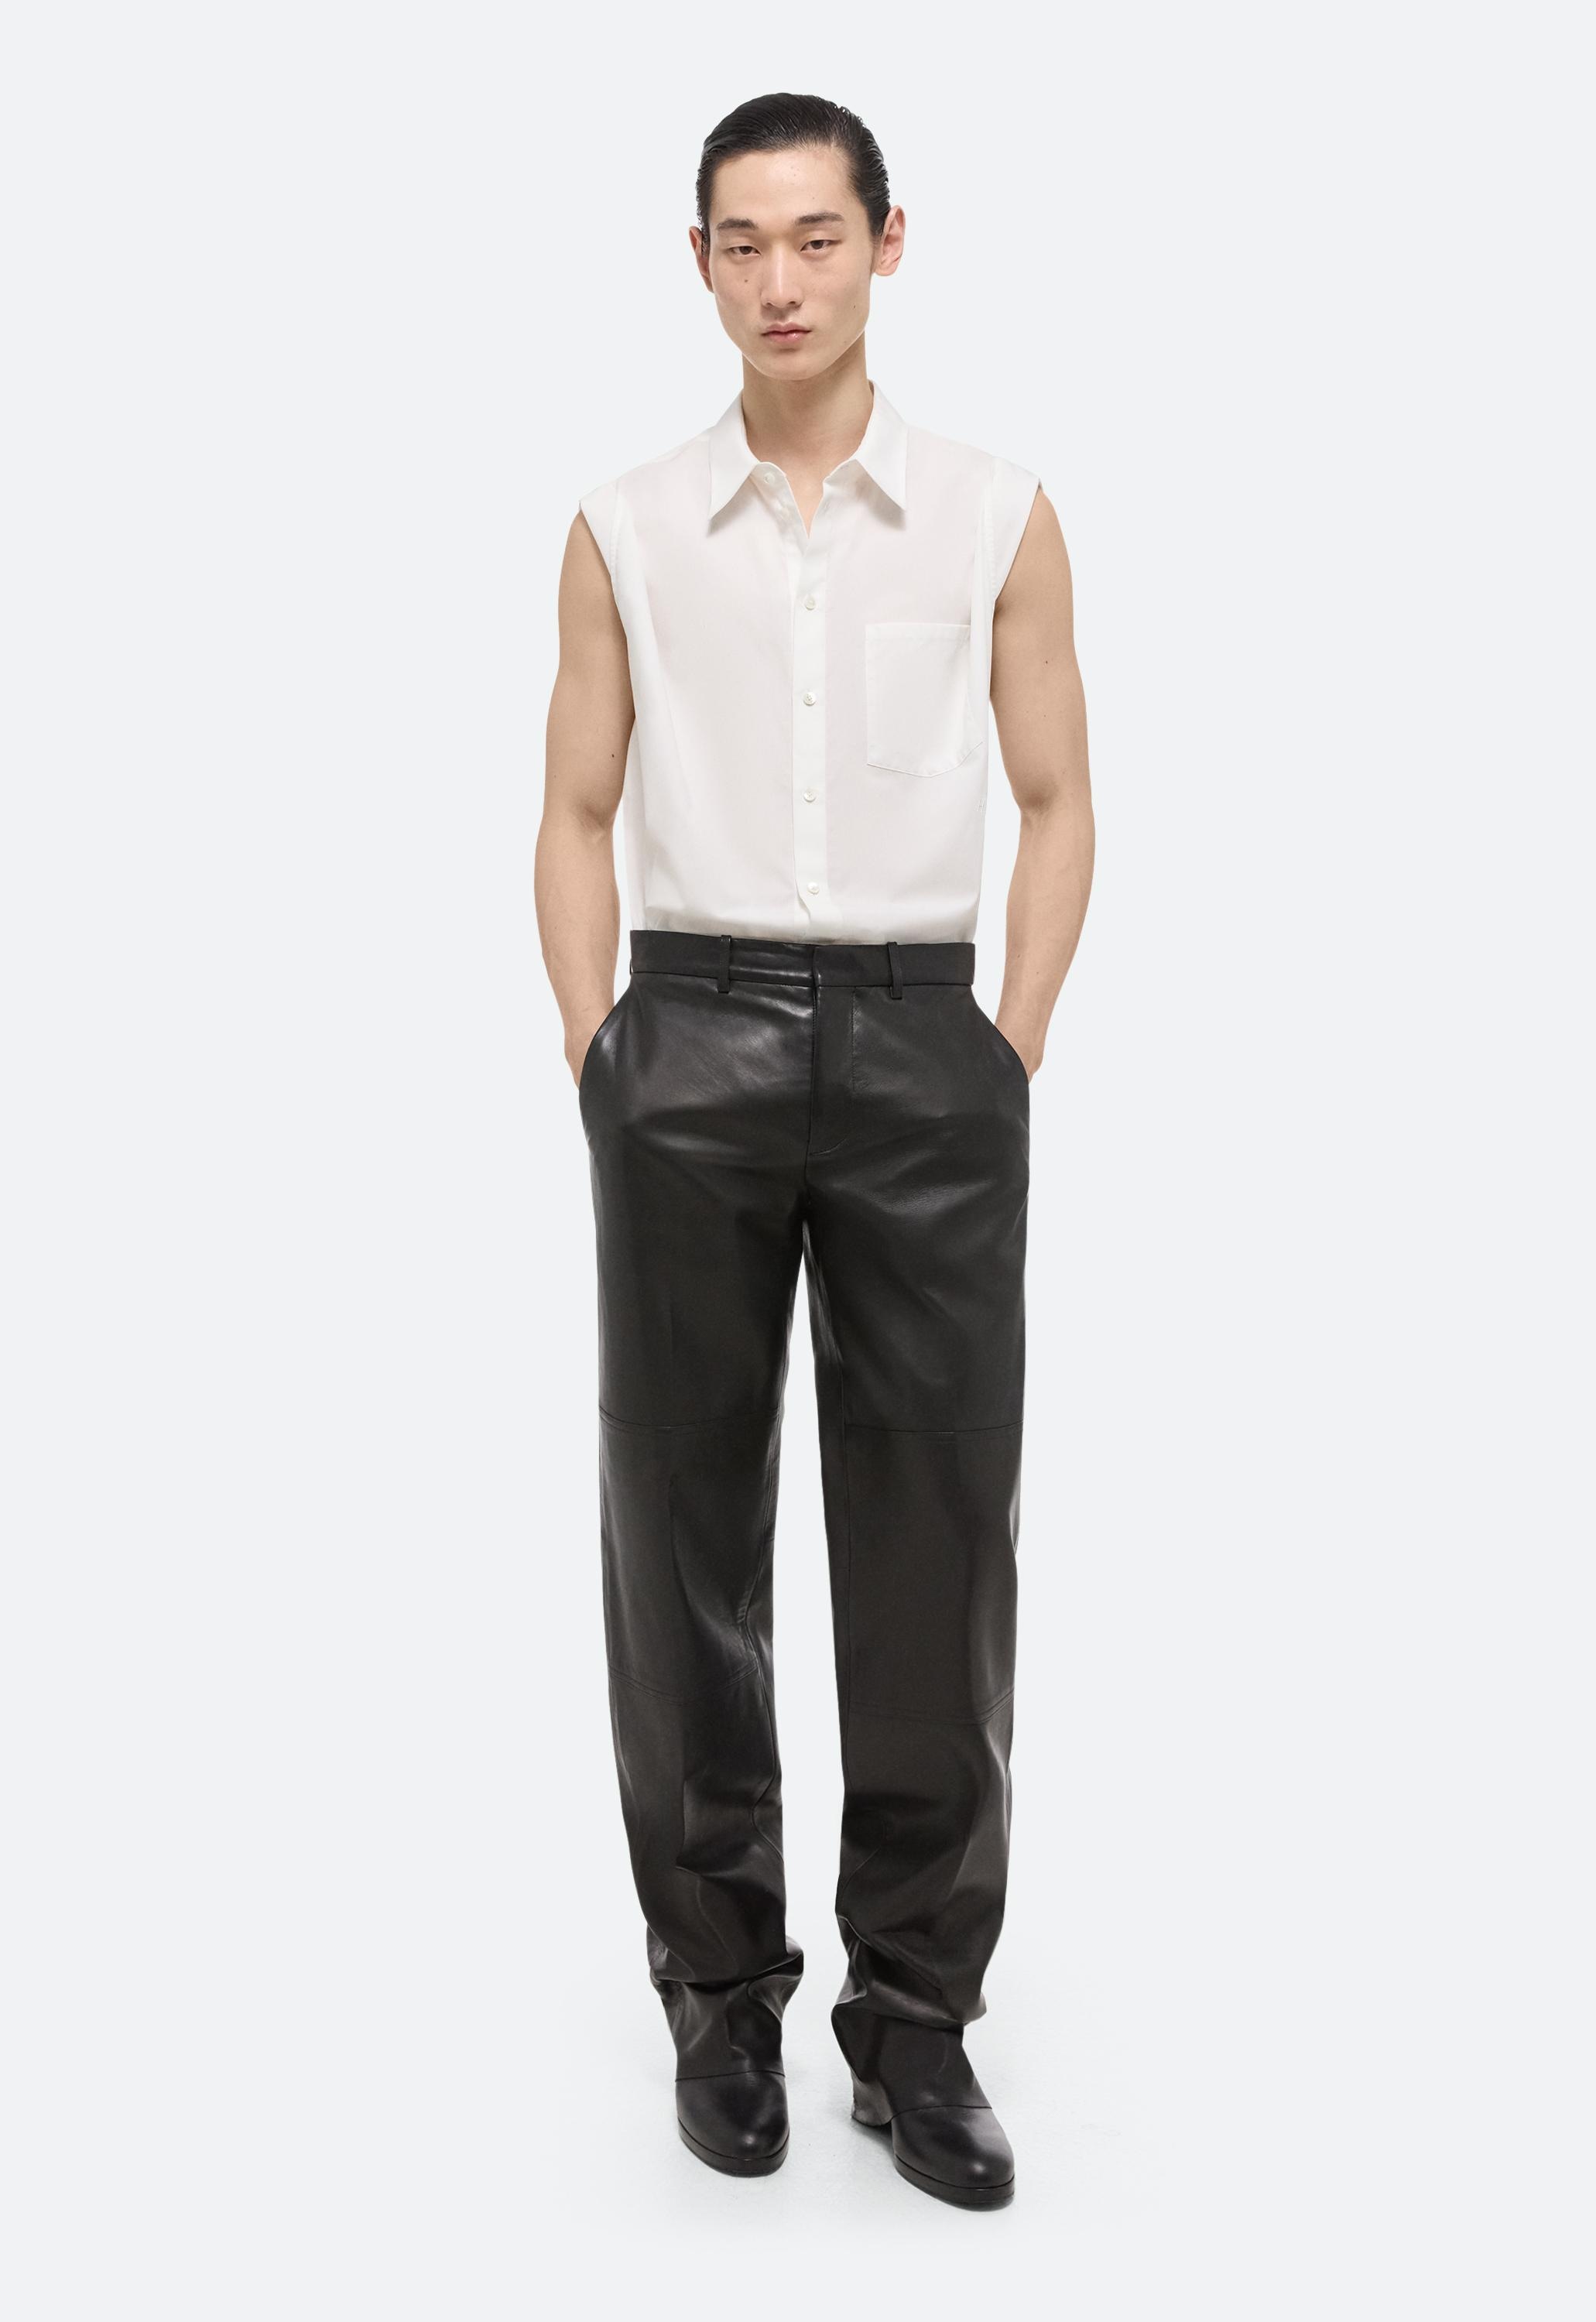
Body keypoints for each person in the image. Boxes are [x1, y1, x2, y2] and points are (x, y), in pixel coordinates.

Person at [534, 91, 1094, 2211]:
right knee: (680, 1528)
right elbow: (573, 807)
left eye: (819, 236)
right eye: (744, 242)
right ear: (700, 262)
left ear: (886, 243)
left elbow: (1061, 796)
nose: (784, 279)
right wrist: (600, 1048)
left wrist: (1006, 1053)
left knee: (939, 1538)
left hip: (926, 1049)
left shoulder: (995, 515)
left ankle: (916, 2018)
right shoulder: (621, 526)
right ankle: (717, 1993)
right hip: (685, 1040)